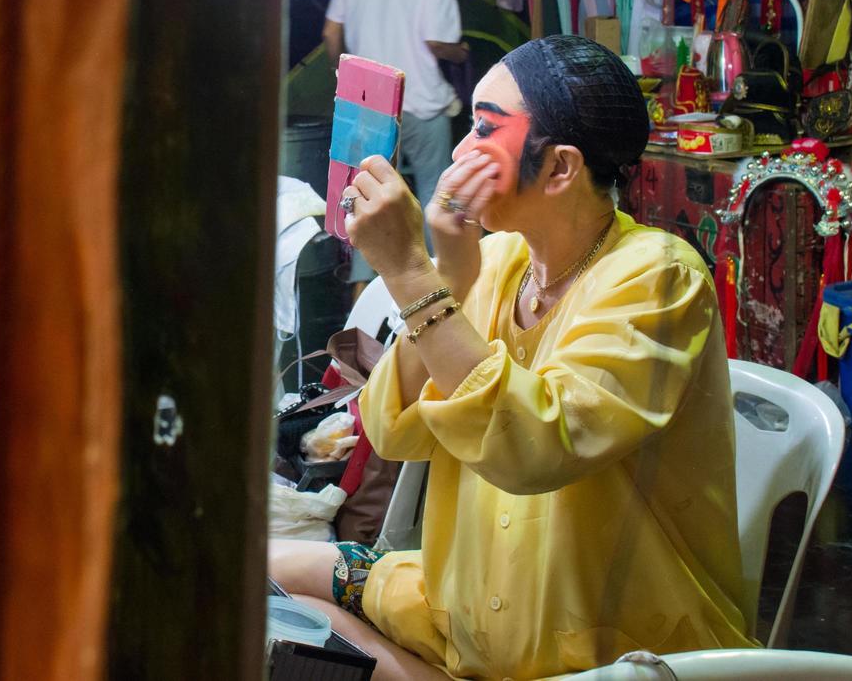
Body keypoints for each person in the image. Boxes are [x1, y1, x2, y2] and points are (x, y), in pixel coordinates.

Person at [270, 36, 755, 680]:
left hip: (597, 653)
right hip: (467, 609)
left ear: (558, 169)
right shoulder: (499, 259)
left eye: (484, 129)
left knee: (290, 645)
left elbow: (533, 448)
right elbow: (392, 431)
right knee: (266, 576)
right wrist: (454, 272)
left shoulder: (660, 277)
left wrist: (413, 274)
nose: (461, 152)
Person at [323, 0, 467, 287]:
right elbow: (438, 41)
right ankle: (430, 315)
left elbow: (331, 34)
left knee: (366, 213)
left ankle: (358, 329)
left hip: (369, 110)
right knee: (431, 210)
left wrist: (349, 80)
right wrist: (460, 52)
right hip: (422, 104)